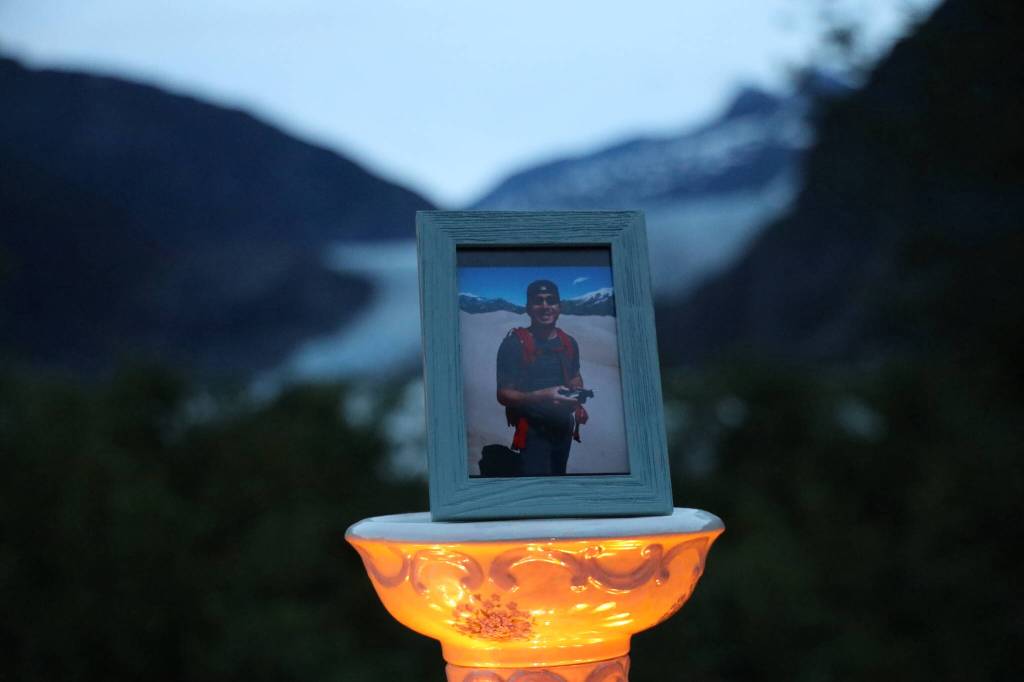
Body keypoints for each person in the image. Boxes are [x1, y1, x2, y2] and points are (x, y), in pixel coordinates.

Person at [496, 279, 588, 475]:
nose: (545, 307)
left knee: (558, 476)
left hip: (564, 426)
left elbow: (575, 375)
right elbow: (503, 394)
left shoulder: (569, 343)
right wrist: (544, 395)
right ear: (528, 308)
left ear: (559, 307)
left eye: (551, 301)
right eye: (538, 301)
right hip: (532, 430)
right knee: (536, 485)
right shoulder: (514, 345)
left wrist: (577, 395)